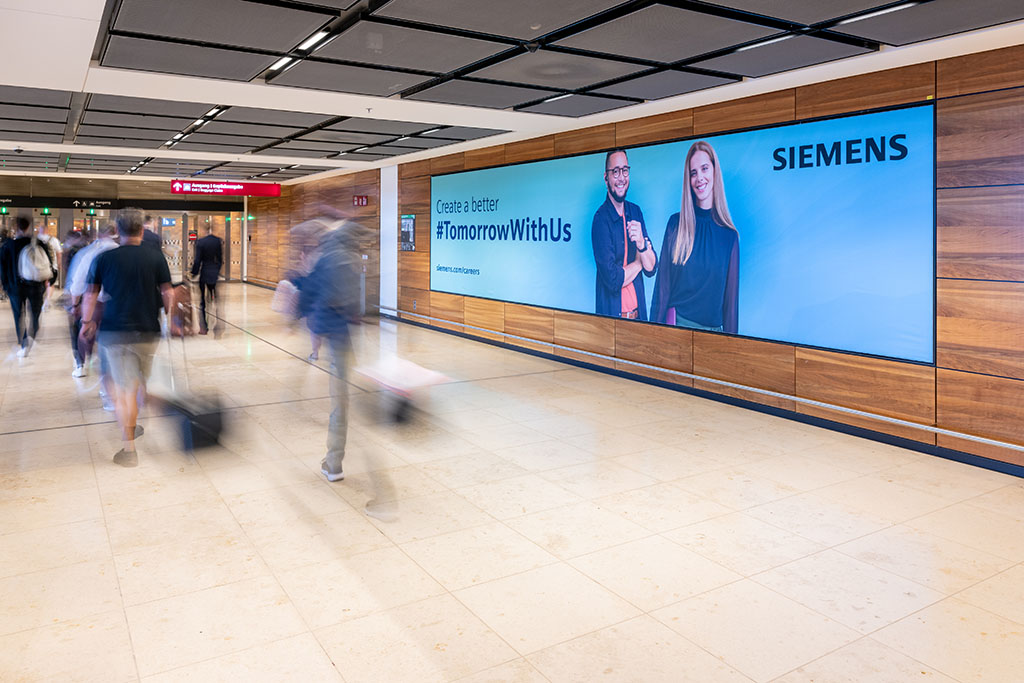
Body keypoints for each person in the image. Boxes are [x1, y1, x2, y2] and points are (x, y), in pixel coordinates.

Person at [81, 208, 178, 467]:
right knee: (138, 383)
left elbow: (90, 295)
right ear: (142, 230)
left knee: (123, 391)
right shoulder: (156, 257)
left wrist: (86, 321)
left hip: (116, 331)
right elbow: (168, 293)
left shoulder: (105, 259)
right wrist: (168, 317)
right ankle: (135, 421)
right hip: (148, 330)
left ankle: (129, 450)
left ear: (118, 231)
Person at [296, 218, 362, 482]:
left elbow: (308, 294)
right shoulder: (353, 260)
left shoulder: (327, 258)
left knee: (339, 403)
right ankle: (336, 459)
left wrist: (300, 315)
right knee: (344, 399)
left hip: (331, 334)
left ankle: (334, 462)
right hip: (348, 337)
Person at [652, 140, 739, 333]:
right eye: (693, 173)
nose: (699, 177)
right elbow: (662, 290)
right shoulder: (675, 225)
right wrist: (652, 336)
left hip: (714, 338)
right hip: (676, 330)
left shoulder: (729, 237)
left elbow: (730, 307)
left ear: (715, 172)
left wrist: (733, 354)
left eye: (704, 169)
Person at [591, 149, 657, 320]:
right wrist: (638, 263)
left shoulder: (635, 212)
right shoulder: (600, 220)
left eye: (625, 170)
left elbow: (651, 268)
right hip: (613, 322)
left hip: (639, 318)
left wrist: (642, 244)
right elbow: (613, 280)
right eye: (615, 171)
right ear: (606, 178)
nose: (621, 177)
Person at [67, 222, 118, 380]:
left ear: (99, 234)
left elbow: (78, 283)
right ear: (115, 232)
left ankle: (81, 365)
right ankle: (110, 376)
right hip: (117, 305)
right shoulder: (121, 251)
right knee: (111, 341)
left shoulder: (89, 252)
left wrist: (75, 305)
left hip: (95, 303)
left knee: (83, 333)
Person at [0, 216, 56, 357]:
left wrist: (5, 285)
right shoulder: (38, 243)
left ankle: (22, 341)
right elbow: (49, 263)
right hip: (36, 285)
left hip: (15, 287)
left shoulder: (9, 245)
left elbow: (2, 267)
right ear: (28, 227)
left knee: (18, 314)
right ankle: (29, 339)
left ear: (15, 227)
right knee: (35, 314)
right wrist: (49, 281)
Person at [190, 224, 223, 335]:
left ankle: (204, 327)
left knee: (203, 302)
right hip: (214, 274)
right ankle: (218, 325)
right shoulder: (217, 241)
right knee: (216, 300)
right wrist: (216, 270)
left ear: (204, 230)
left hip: (204, 274)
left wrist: (193, 273)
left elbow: (198, 260)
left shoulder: (201, 242)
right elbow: (220, 259)